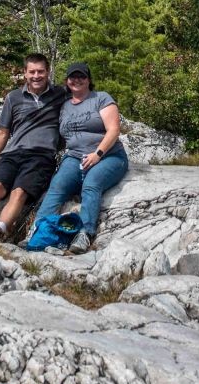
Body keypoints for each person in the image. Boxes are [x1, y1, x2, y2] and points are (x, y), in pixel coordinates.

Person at [34, 62, 129, 254]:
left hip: (109, 156)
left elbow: (113, 130)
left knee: (91, 184)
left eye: (82, 76)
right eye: (72, 77)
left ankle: (86, 232)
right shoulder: (65, 106)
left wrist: (97, 154)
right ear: (67, 81)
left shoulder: (101, 98)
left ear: (89, 80)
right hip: (75, 156)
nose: (76, 80)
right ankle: (39, 231)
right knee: (57, 186)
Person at [0, 53, 66, 240]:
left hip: (42, 155)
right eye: (32, 72)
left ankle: (0, 230)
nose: (36, 76)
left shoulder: (60, 95)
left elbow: (82, 95)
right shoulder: (13, 97)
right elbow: (2, 133)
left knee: (20, 190)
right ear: (25, 73)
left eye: (41, 71)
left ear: (48, 72)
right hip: (12, 154)